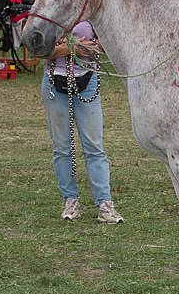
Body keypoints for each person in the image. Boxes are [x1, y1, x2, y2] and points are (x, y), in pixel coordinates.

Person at [42, 21, 123, 223]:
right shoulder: (51, 14)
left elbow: (108, 45)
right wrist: (68, 49)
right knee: (62, 147)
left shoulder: (92, 16)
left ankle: (104, 203)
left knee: (94, 146)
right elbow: (42, 50)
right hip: (55, 81)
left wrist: (86, 47)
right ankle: (70, 200)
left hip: (87, 81)